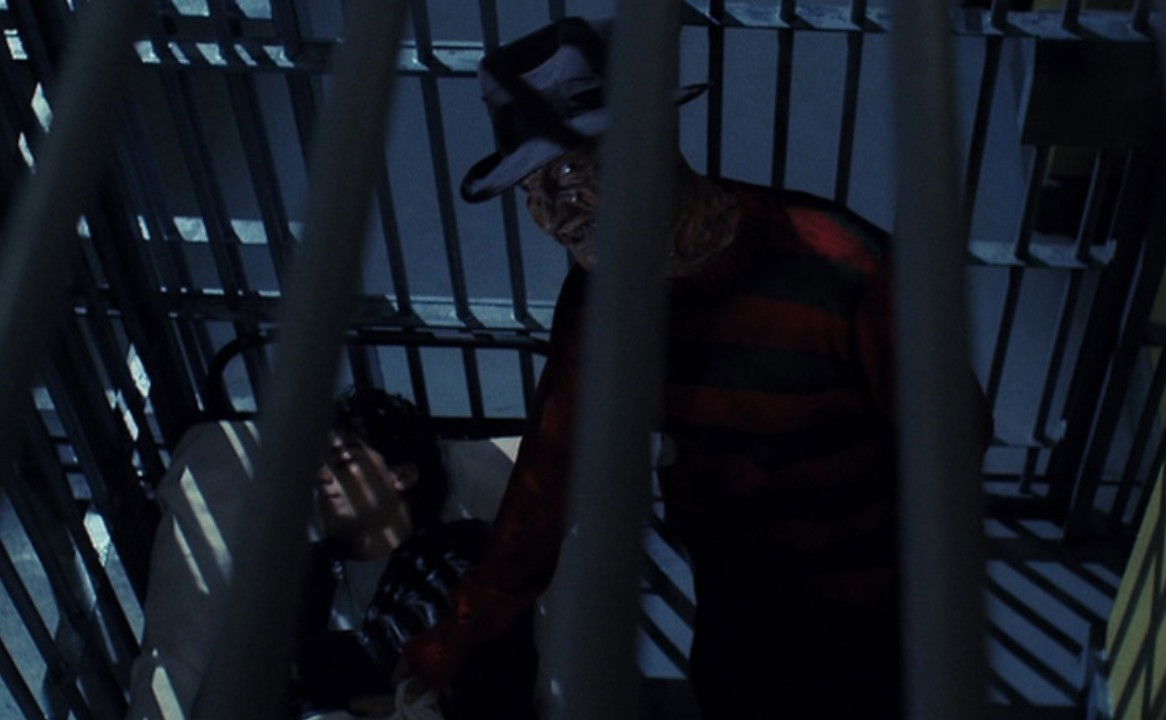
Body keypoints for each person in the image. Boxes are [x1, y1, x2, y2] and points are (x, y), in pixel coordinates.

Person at [400, 17, 991, 718]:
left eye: (567, 174)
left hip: (875, 615)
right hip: (738, 612)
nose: (552, 217)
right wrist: (451, 644)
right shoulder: (598, 303)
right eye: (531, 191)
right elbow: (548, 481)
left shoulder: (840, 267)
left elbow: (954, 437)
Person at [292, 388, 537, 720]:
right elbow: (257, 672)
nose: (322, 476)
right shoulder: (303, 572)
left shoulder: (458, 550)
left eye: (344, 462)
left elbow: (400, 646)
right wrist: (355, 701)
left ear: (403, 475)